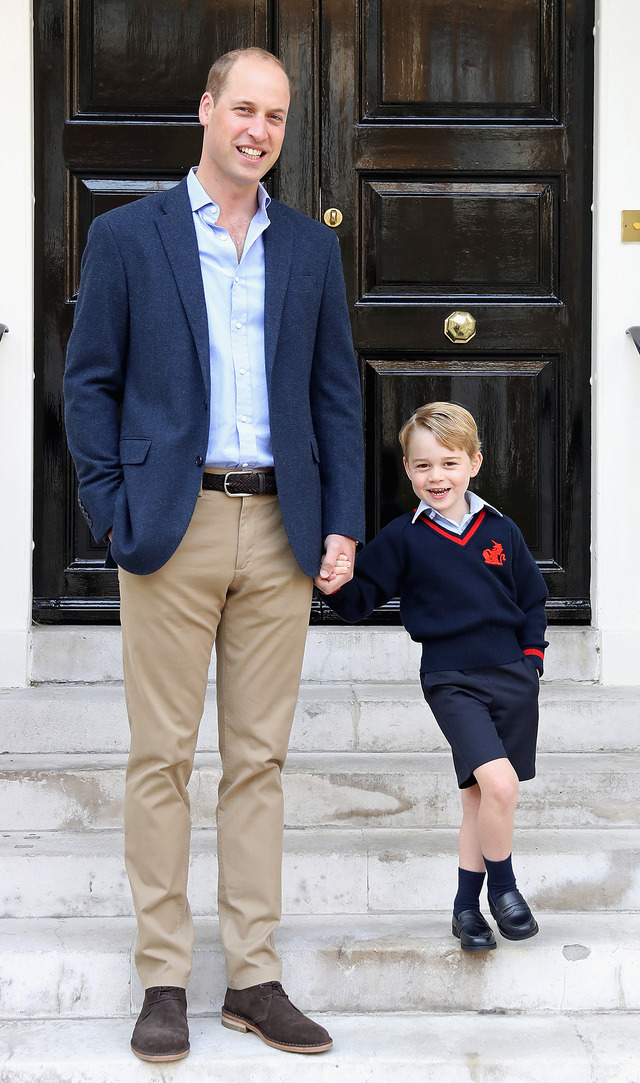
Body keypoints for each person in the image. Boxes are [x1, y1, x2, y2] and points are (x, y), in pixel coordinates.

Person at [64, 47, 364, 1062]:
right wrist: (111, 509)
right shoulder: (128, 237)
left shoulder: (310, 250)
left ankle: (252, 976)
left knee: (258, 761)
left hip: (281, 529)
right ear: (206, 110)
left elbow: (335, 394)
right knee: (160, 758)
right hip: (171, 524)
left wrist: (342, 521)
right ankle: (161, 977)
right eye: (244, 108)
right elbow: (89, 382)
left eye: (275, 117)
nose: (259, 130)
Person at [318, 402, 547, 954]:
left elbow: (532, 599)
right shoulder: (403, 538)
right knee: (501, 786)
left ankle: (465, 909)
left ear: (474, 463)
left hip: (513, 676)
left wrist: (532, 660)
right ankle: (506, 891)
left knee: (478, 799)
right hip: (451, 678)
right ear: (407, 470)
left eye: (448, 463)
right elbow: (359, 601)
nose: (436, 477)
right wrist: (333, 583)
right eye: (423, 467)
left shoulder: (501, 530)